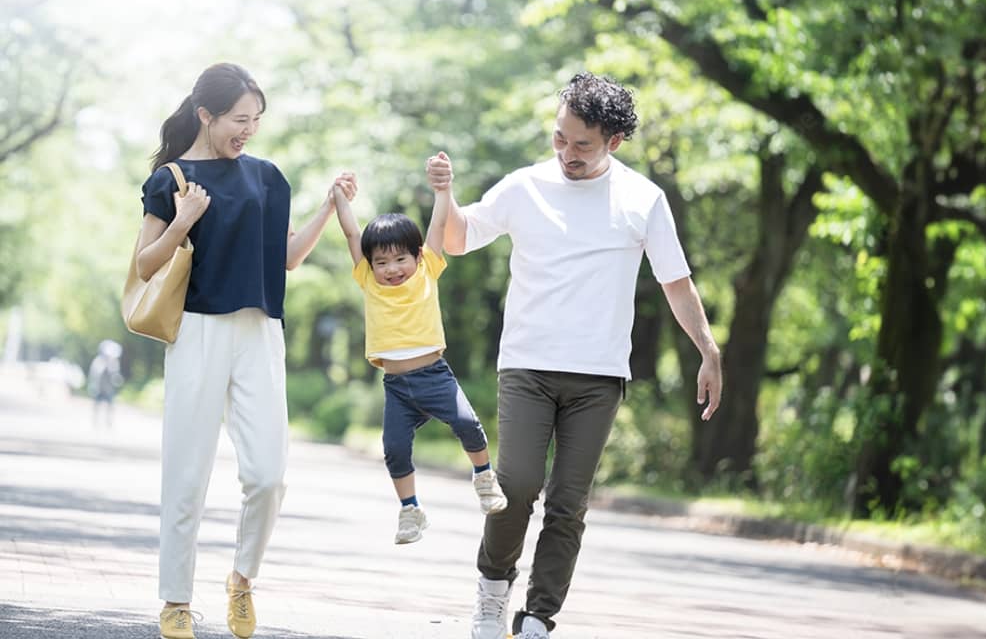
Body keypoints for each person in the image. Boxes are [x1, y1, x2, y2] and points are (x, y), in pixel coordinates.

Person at [429, 72, 723, 639]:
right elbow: (458, 240)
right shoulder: (524, 186)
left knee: (568, 502)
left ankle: (539, 615)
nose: (566, 153)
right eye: (559, 138)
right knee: (515, 486)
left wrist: (708, 350)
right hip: (527, 367)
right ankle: (492, 592)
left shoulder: (643, 199)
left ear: (613, 140)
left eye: (582, 144)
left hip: (599, 377)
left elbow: (677, 284)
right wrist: (445, 196)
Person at [133, 63, 354, 639]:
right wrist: (182, 220)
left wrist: (329, 208)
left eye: (256, 119)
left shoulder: (268, 177)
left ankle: (241, 580)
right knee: (187, 473)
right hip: (199, 333)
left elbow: (285, 257)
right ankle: (176, 601)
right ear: (206, 115)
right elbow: (144, 264)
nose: (248, 129)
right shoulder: (173, 178)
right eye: (239, 119)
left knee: (268, 475)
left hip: (261, 332)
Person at [330, 172, 508, 546]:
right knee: (393, 450)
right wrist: (339, 199)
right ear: (371, 265)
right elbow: (350, 233)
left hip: (434, 376)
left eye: (400, 259)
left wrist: (444, 190)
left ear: (417, 256)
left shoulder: (427, 269)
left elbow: (440, 224)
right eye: (382, 262)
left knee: (468, 424)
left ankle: (484, 478)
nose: (392, 269)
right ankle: (410, 510)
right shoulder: (367, 279)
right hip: (396, 387)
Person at [87, 339, 123, 426]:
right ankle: (95, 422)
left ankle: (109, 423)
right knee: (97, 406)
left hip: (109, 389)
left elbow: (115, 375)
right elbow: (95, 375)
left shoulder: (114, 362)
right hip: (99, 388)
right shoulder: (98, 361)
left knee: (110, 406)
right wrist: (93, 387)